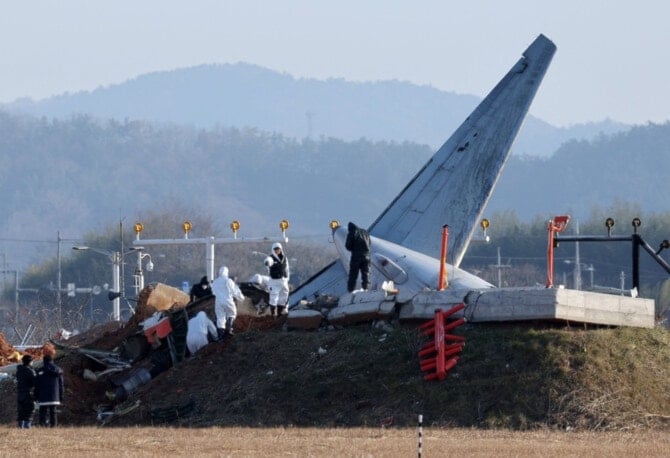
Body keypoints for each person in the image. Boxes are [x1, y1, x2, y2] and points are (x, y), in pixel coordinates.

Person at [211, 266, 245, 337]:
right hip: (227, 300)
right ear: (227, 272)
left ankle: (221, 336)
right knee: (232, 313)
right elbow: (234, 291)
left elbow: (213, 292)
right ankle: (230, 329)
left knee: (220, 318)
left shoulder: (215, 282)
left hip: (218, 302)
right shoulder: (228, 280)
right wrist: (241, 298)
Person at [35, 353, 64, 427]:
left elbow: (37, 385)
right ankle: (53, 426)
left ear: (44, 361)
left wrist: (36, 396)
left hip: (43, 395)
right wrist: (61, 396)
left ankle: (42, 426)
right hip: (54, 395)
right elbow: (61, 385)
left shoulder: (40, 371)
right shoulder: (58, 370)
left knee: (42, 412)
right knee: (53, 412)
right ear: (52, 360)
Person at [266, 242, 290, 318]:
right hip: (274, 281)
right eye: (275, 249)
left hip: (283, 280)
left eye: (278, 249)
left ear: (281, 249)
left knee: (284, 296)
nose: (277, 250)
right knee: (273, 297)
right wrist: (267, 263)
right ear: (273, 250)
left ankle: (280, 313)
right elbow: (267, 262)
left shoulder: (284, 258)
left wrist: (287, 278)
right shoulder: (271, 258)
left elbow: (287, 269)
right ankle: (273, 314)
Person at [345, 221, 371, 292]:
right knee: (366, 273)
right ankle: (366, 288)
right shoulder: (365, 232)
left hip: (356, 256)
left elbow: (348, 246)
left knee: (353, 274)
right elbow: (370, 243)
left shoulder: (352, 232)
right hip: (367, 256)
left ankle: (351, 290)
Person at [16, 354, 36, 428]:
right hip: (28, 393)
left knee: (21, 411)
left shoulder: (19, 371)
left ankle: (20, 426)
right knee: (29, 411)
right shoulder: (30, 371)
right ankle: (27, 426)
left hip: (20, 393)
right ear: (30, 362)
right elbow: (35, 382)